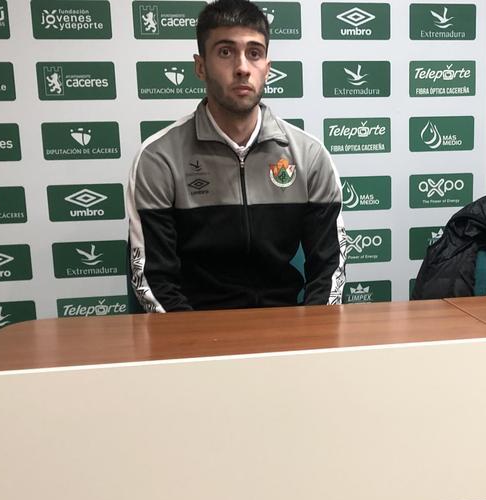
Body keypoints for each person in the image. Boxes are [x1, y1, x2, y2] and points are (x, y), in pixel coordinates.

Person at [127, 0, 347, 312]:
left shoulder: (309, 155)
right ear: (200, 66)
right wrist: (193, 347)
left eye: (254, 53)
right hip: (193, 329)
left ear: (267, 69)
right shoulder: (159, 158)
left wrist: (311, 334)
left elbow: (329, 268)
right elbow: (154, 280)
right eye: (226, 52)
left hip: (283, 323)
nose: (243, 67)